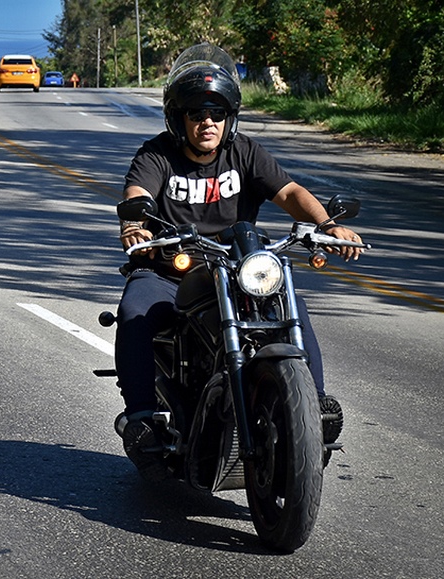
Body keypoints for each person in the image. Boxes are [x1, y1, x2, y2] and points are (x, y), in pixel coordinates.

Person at [114, 43, 362, 477]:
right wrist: (136, 227)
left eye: (216, 114)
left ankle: (315, 407)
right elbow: (138, 195)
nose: (206, 122)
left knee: (292, 306)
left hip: (237, 269)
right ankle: (141, 419)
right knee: (134, 311)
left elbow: (289, 193)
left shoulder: (245, 152)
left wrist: (325, 224)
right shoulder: (156, 155)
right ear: (179, 119)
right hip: (171, 269)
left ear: (229, 118)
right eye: (195, 114)